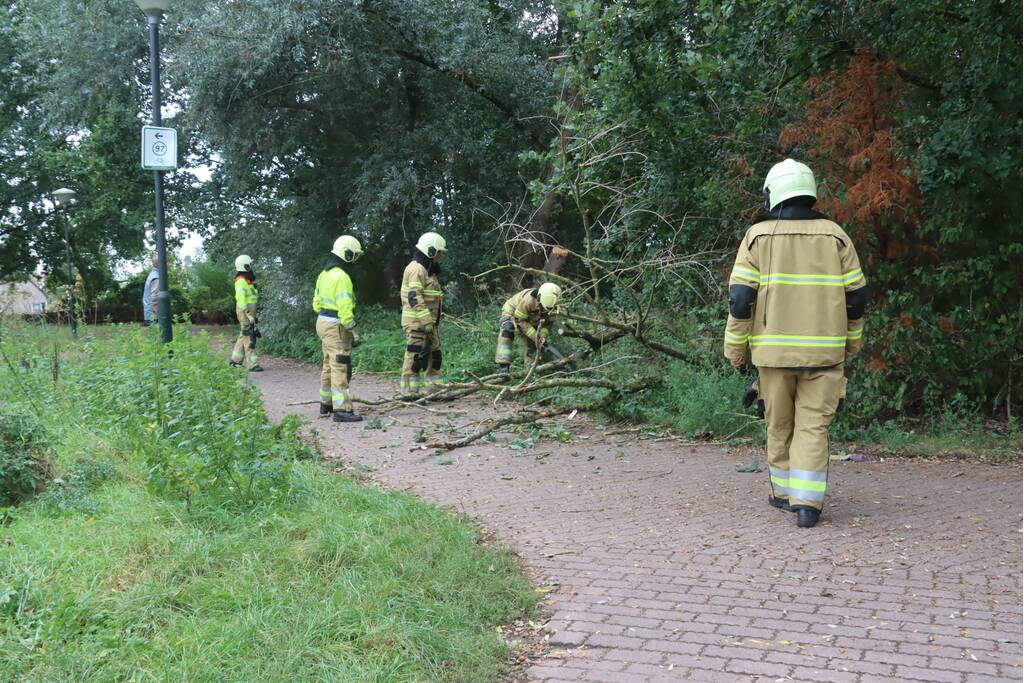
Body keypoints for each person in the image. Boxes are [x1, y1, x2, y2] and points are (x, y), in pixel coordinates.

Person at [724, 159, 866, 529]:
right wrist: (851, 344)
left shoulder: (757, 237)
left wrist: (735, 351)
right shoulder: (836, 235)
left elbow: (740, 300)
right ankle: (807, 506)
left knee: (779, 424)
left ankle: (783, 494)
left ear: (774, 193)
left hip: (773, 356)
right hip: (825, 354)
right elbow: (857, 298)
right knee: (813, 428)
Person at [313, 235, 363, 422]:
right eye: (354, 255)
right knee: (340, 365)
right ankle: (342, 410)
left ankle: (326, 403)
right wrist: (352, 329)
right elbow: (345, 309)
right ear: (347, 254)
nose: (356, 260)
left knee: (328, 363)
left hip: (322, 322)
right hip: (336, 326)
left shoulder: (324, 274)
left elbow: (316, 304)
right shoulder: (343, 277)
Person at [398, 232, 446, 398]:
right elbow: (414, 297)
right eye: (439, 253)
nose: (440, 256)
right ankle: (410, 392)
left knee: (435, 355)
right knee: (415, 356)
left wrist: (431, 322)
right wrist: (426, 321)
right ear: (431, 251)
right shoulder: (416, 269)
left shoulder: (428, 270)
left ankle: (435, 389)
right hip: (417, 322)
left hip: (428, 323)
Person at [495, 283, 562, 374]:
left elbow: (547, 325)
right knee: (507, 329)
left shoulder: (554, 306)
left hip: (531, 317)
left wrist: (542, 336)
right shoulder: (528, 301)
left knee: (533, 339)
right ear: (539, 299)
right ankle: (504, 366)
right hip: (512, 311)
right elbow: (519, 320)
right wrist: (535, 336)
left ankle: (530, 368)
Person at [229, 255, 262, 372]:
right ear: (245, 266)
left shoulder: (247, 281)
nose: (251, 267)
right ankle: (252, 364)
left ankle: (235, 360)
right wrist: (248, 314)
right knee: (249, 335)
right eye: (249, 264)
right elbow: (241, 300)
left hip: (248, 312)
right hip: (245, 312)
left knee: (244, 334)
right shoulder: (241, 281)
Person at [142, 254, 159, 325]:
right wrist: (160, 315)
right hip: (153, 317)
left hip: (149, 315)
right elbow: (154, 298)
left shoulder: (152, 274)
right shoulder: (156, 277)